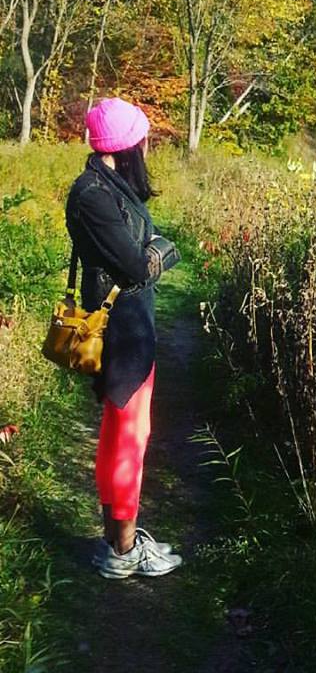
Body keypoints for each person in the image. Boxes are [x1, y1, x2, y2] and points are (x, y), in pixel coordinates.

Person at [65, 98, 183, 579]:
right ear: (128, 145)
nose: (147, 145)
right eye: (142, 138)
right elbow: (137, 266)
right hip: (122, 334)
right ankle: (124, 549)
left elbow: (136, 257)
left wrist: (151, 252)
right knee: (131, 437)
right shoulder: (92, 194)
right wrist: (161, 250)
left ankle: (118, 539)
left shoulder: (108, 186)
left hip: (132, 327)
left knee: (122, 433)